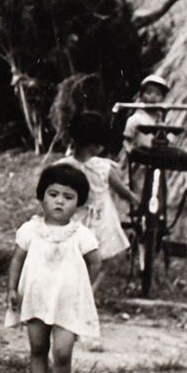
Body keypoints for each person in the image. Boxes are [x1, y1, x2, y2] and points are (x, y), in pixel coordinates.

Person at [6, 163, 102, 373]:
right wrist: (11, 289)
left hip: (67, 301)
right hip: (36, 298)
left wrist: (82, 289)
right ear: (42, 197)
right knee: (38, 347)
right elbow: (17, 259)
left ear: (79, 203)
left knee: (62, 351)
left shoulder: (81, 235)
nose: (60, 202)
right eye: (54, 194)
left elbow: (95, 262)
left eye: (68, 197)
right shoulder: (31, 230)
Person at [67, 111, 139, 271]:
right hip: (101, 220)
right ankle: (90, 290)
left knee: (73, 256)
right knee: (102, 260)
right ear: (97, 146)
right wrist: (134, 198)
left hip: (74, 217)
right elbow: (121, 191)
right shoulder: (105, 168)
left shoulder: (63, 166)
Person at [121, 74, 170, 155]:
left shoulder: (162, 119)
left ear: (163, 98)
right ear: (141, 95)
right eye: (149, 92)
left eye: (158, 94)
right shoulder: (136, 119)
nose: (153, 97)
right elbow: (127, 142)